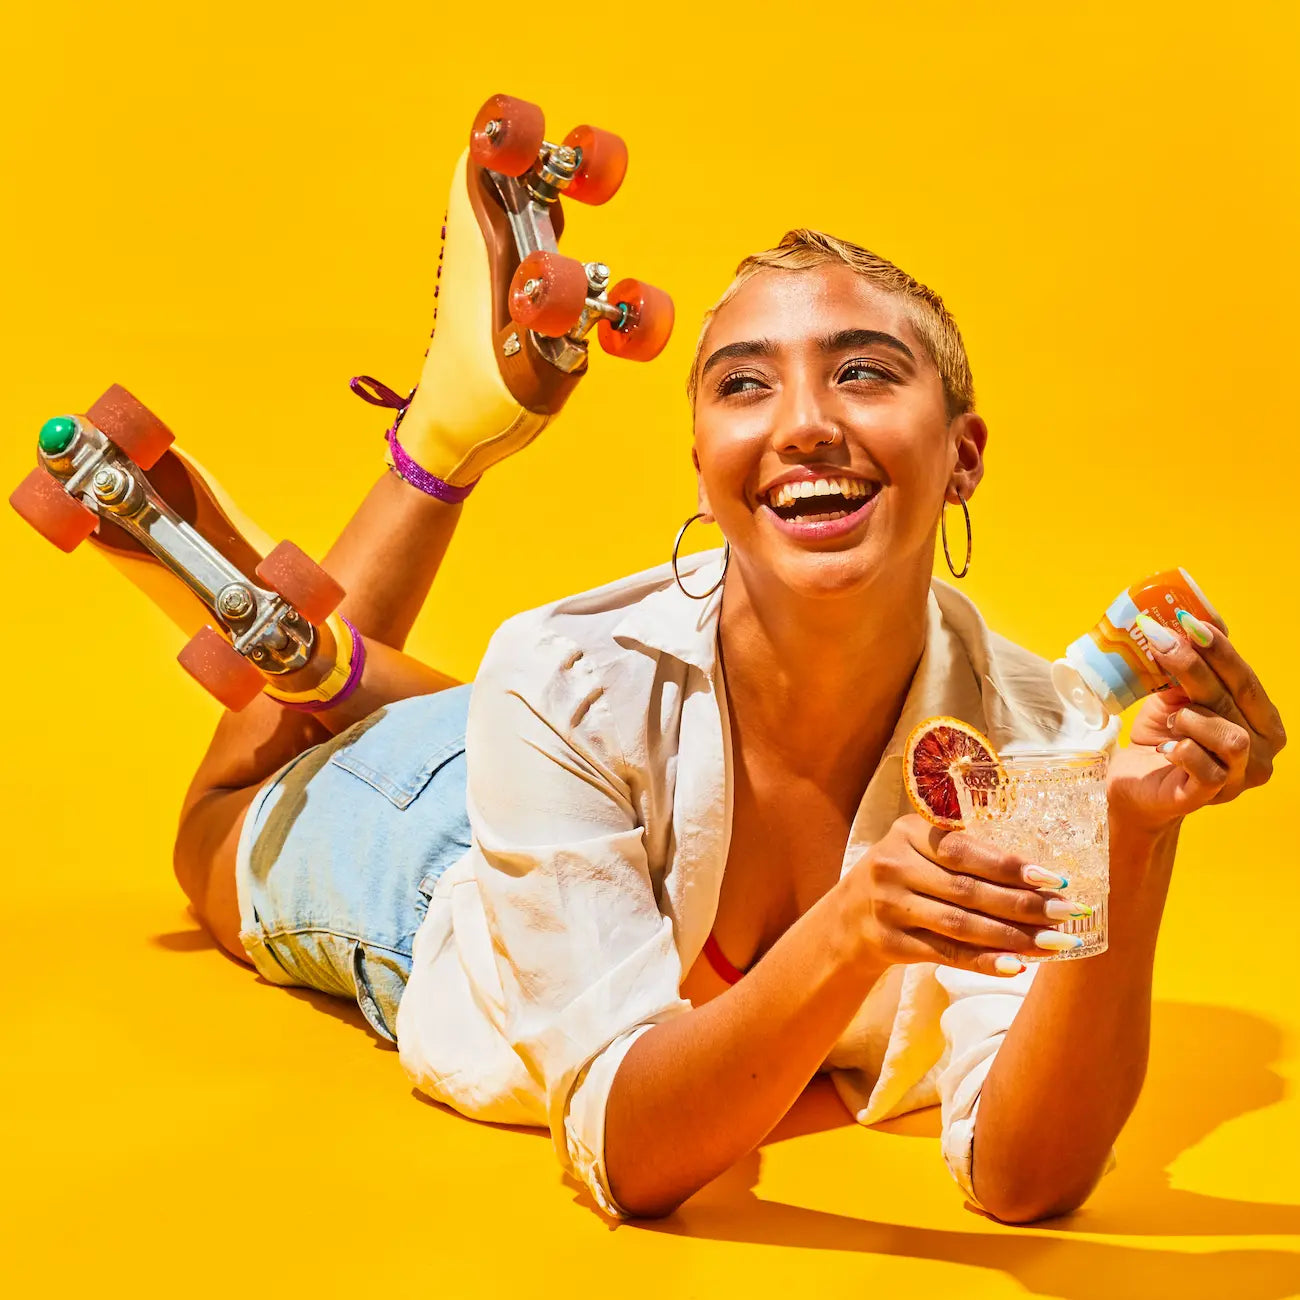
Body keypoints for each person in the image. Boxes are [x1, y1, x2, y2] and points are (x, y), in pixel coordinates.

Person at [168, 194, 1283, 1223]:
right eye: (745, 384)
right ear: (703, 470)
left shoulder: (1040, 739)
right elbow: (630, 1155)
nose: (803, 423)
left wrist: (1132, 837)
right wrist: (850, 928)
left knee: (518, 694)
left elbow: (1025, 1178)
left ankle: (336, 667)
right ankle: (431, 459)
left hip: (566, 774)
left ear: (963, 456)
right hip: (431, 865)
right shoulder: (562, 679)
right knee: (217, 822)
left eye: (864, 373)